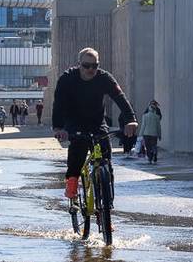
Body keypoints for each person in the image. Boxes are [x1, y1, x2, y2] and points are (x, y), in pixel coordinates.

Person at [52, 47, 137, 199]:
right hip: (74, 121)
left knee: (106, 159)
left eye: (95, 65)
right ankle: (72, 183)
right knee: (78, 150)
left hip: (97, 121)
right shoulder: (67, 79)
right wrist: (59, 128)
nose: (91, 69)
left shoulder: (104, 78)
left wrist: (131, 120)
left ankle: (107, 207)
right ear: (79, 64)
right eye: (86, 66)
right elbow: (58, 104)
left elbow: (120, 98)